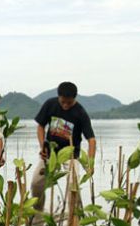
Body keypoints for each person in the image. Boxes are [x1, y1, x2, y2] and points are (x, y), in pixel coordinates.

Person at [30, 81, 96, 210]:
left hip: (70, 156)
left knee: (73, 187)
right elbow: (41, 126)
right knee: (36, 184)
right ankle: (37, 216)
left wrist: (90, 163)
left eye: (69, 103)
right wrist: (42, 145)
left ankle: (75, 217)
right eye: (63, 102)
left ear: (74, 99)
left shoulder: (81, 113)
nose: (65, 105)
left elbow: (92, 140)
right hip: (50, 154)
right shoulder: (50, 104)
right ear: (58, 97)